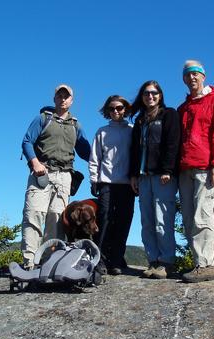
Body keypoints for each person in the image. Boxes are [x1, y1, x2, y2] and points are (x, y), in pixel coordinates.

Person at [20, 84, 91, 269]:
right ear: (54, 99)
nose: (63, 99)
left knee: (56, 219)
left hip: (65, 176)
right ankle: (29, 263)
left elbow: (86, 152)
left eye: (66, 96)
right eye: (59, 95)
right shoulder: (43, 119)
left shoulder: (76, 125)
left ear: (72, 100)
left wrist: (104, 156)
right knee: (34, 214)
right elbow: (27, 141)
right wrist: (34, 162)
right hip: (42, 172)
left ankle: (50, 263)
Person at [177, 60, 214, 283]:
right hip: (184, 168)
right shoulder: (184, 108)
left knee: (203, 214)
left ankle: (206, 264)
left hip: (205, 168)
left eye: (196, 74)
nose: (192, 78)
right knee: (189, 218)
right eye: (188, 75)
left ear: (203, 76)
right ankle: (198, 261)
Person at [129, 81, 180, 279]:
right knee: (147, 221)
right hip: (143, 177)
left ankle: (166, 262)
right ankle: (153, 260)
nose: (150, 96)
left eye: (154, 93)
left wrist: (168, 169)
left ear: (160, 95)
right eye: (146, 93)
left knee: (162, 219)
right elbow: (135, 151)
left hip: (162, 176)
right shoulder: (140, 120)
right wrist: (133, 175)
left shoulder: (169, 115)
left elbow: (172, 143)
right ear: (142, 97)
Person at [89, 95, 135, 275]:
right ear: (107, 111)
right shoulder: (102, 132)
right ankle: (99, 259)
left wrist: (136, 178)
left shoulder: (132, 130)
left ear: (125, 109)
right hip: (106, 182)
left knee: (124, 221)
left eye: (120, 108)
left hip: (126, 183)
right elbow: (95, 158)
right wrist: (94, 179)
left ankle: (116, 258)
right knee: (104, 219)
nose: (116, 111)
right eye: (112, 108)